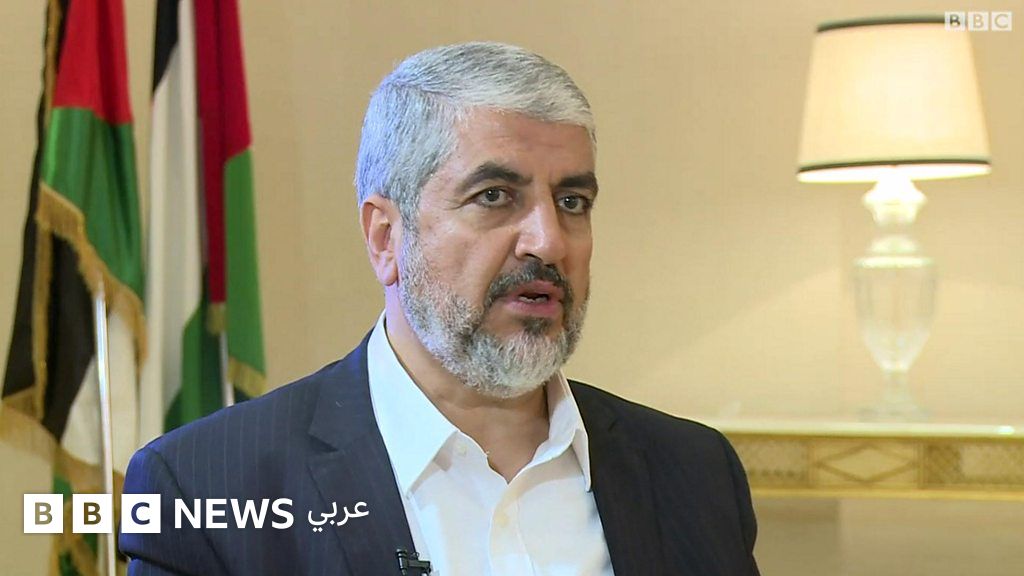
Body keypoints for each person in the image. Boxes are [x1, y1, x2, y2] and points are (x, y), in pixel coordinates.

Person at [120, 42, 760, 576]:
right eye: (494, 196)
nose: (548, 242)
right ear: (385, 238)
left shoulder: (694, 472)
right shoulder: (206, 487)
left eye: (572, 202)